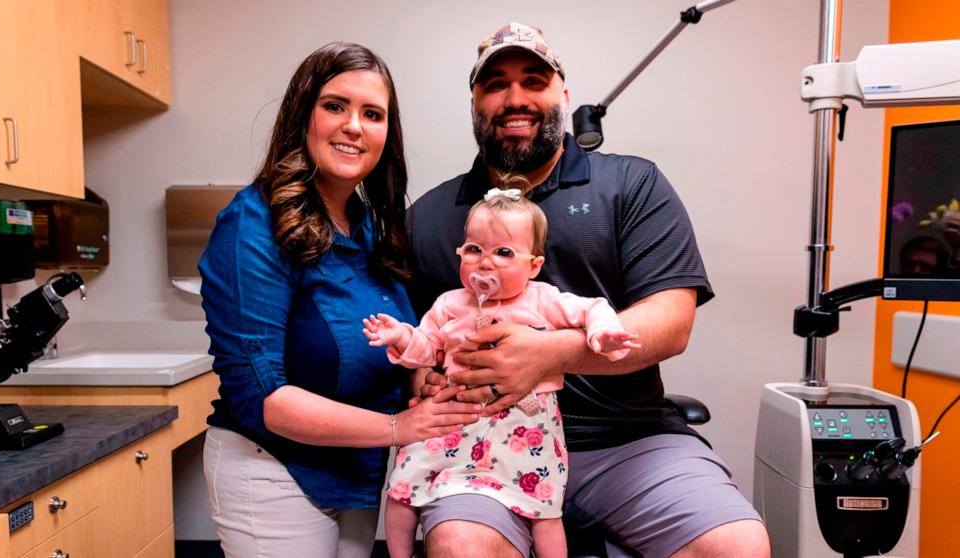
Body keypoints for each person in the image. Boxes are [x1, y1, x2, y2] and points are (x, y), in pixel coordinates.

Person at [408, 23, 771, 558]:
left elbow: (672, 321)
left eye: (534, 80)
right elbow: (417, 339)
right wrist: (420, 368)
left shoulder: (632, 184)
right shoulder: (430, 216)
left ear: (564, 96)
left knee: (736, 545)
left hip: (627, 442)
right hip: (483, 450)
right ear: (475, 101)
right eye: (495, 84)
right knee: (461, 547)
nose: (515, 99)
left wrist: (549, 354)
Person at [197, 42, 481, 558]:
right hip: (275, 470)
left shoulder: (373, 229)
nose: (354, 126)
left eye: (372, 114)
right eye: (335, 106)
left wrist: (424, 376)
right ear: (302, 115)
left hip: (358, 467)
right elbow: (263, 400)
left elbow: (396, 343)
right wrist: (401, 427)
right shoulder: (253, 224)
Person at [362, 188, 640, 558]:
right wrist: (402, 337)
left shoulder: (542, 299)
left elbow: (592, 308)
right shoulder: (449, 304)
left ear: (534, 265)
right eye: (474, 250)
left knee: (543, 510)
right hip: (455, 421)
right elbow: (428, 347)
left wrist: (600, 332)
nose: (485, 263)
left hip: (524, 427)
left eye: (504, 253)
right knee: (404, 485)